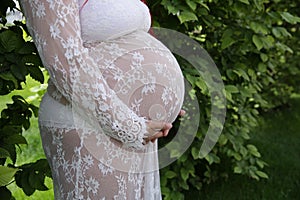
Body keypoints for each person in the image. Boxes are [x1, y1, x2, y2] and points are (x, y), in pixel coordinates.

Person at [20, 0, 185, 199]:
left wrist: (164, 94)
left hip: (127, 126)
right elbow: (64, 61)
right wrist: (131, 128)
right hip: (89, 124)